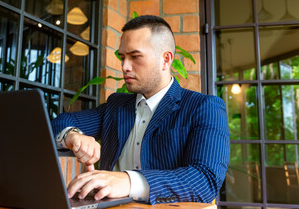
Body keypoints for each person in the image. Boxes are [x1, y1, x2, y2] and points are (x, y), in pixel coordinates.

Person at [51, 15, 230, 205]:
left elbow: (204, 179)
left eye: (135, 56)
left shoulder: (204, 107)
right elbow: (59, 123)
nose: (124, 66)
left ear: (166, 59)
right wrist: (73, 136)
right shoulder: (116, 105)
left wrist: (128, 181)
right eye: (122, 57)